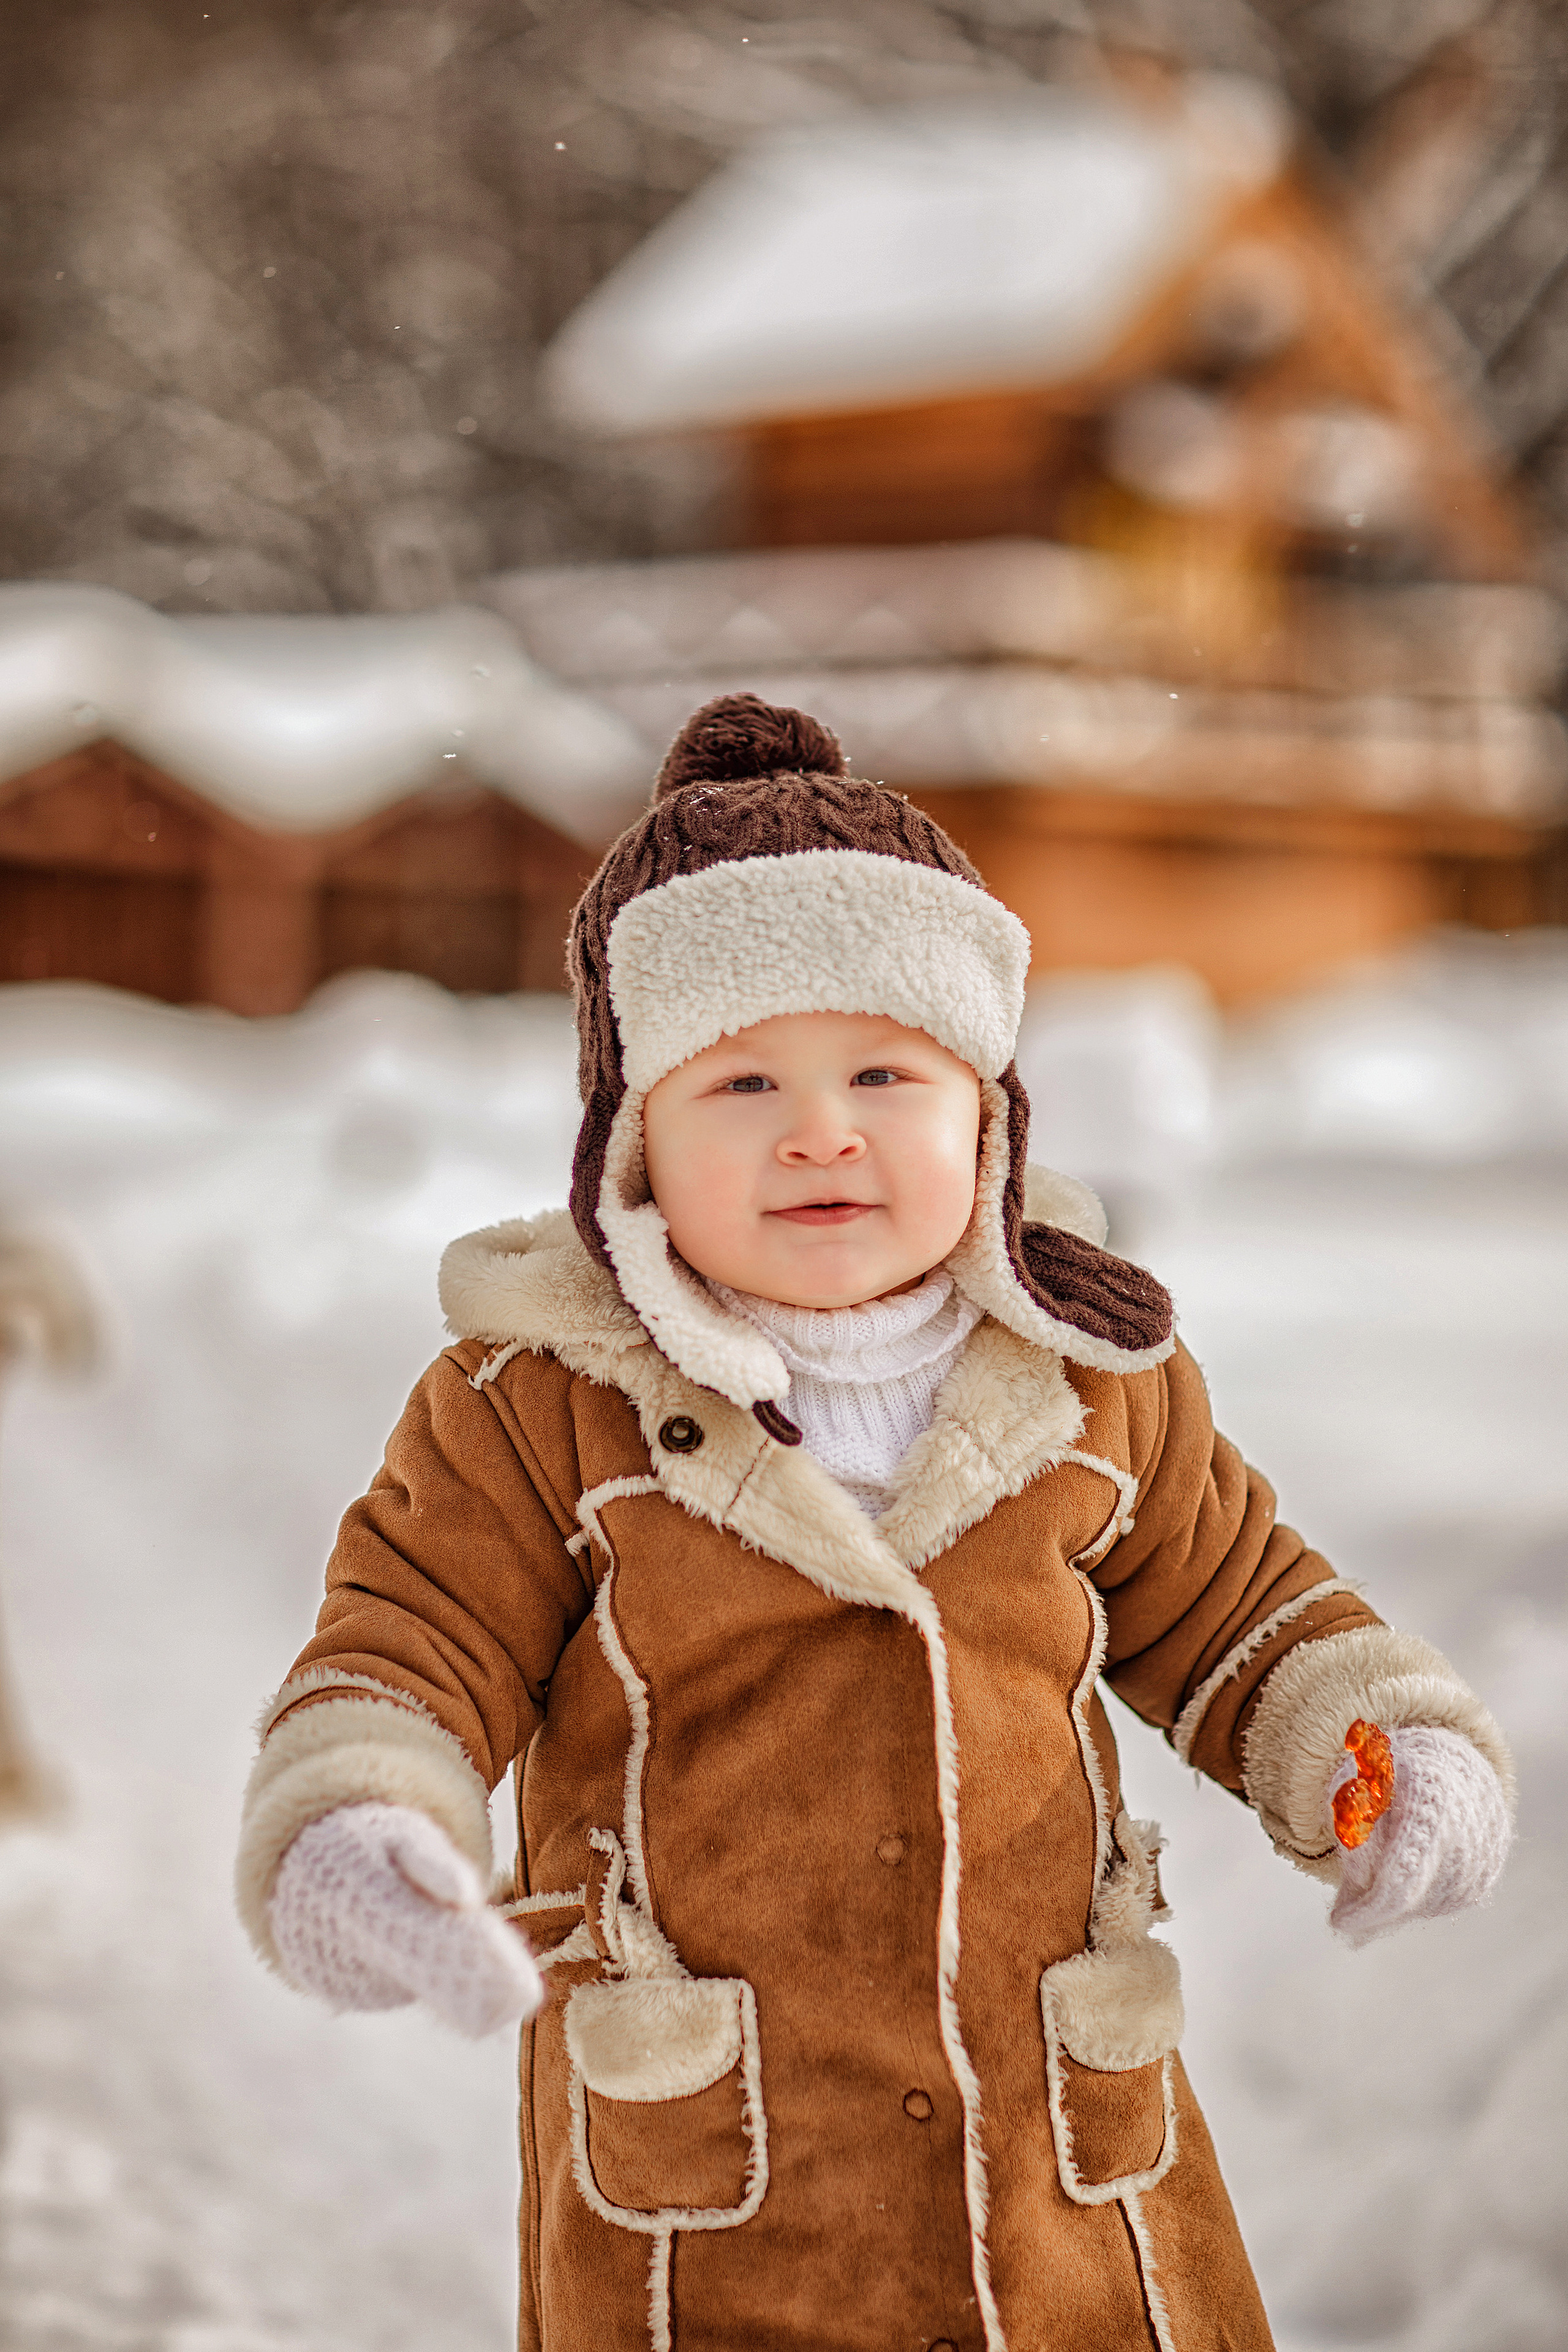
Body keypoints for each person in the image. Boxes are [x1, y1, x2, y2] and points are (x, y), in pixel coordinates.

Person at [236, 694, 1513, 2352]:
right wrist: (360, 1819)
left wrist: (1382, 1744)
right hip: (725, 2200)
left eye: (886, 1070)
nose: (820, 1129)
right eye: (743, 1078)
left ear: (987, 1111)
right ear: (628, 1147)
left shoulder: (1085, 1380)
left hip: (1064, 2177)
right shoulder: (534, 1407)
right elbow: (410, 1641)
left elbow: (1240, 1610)